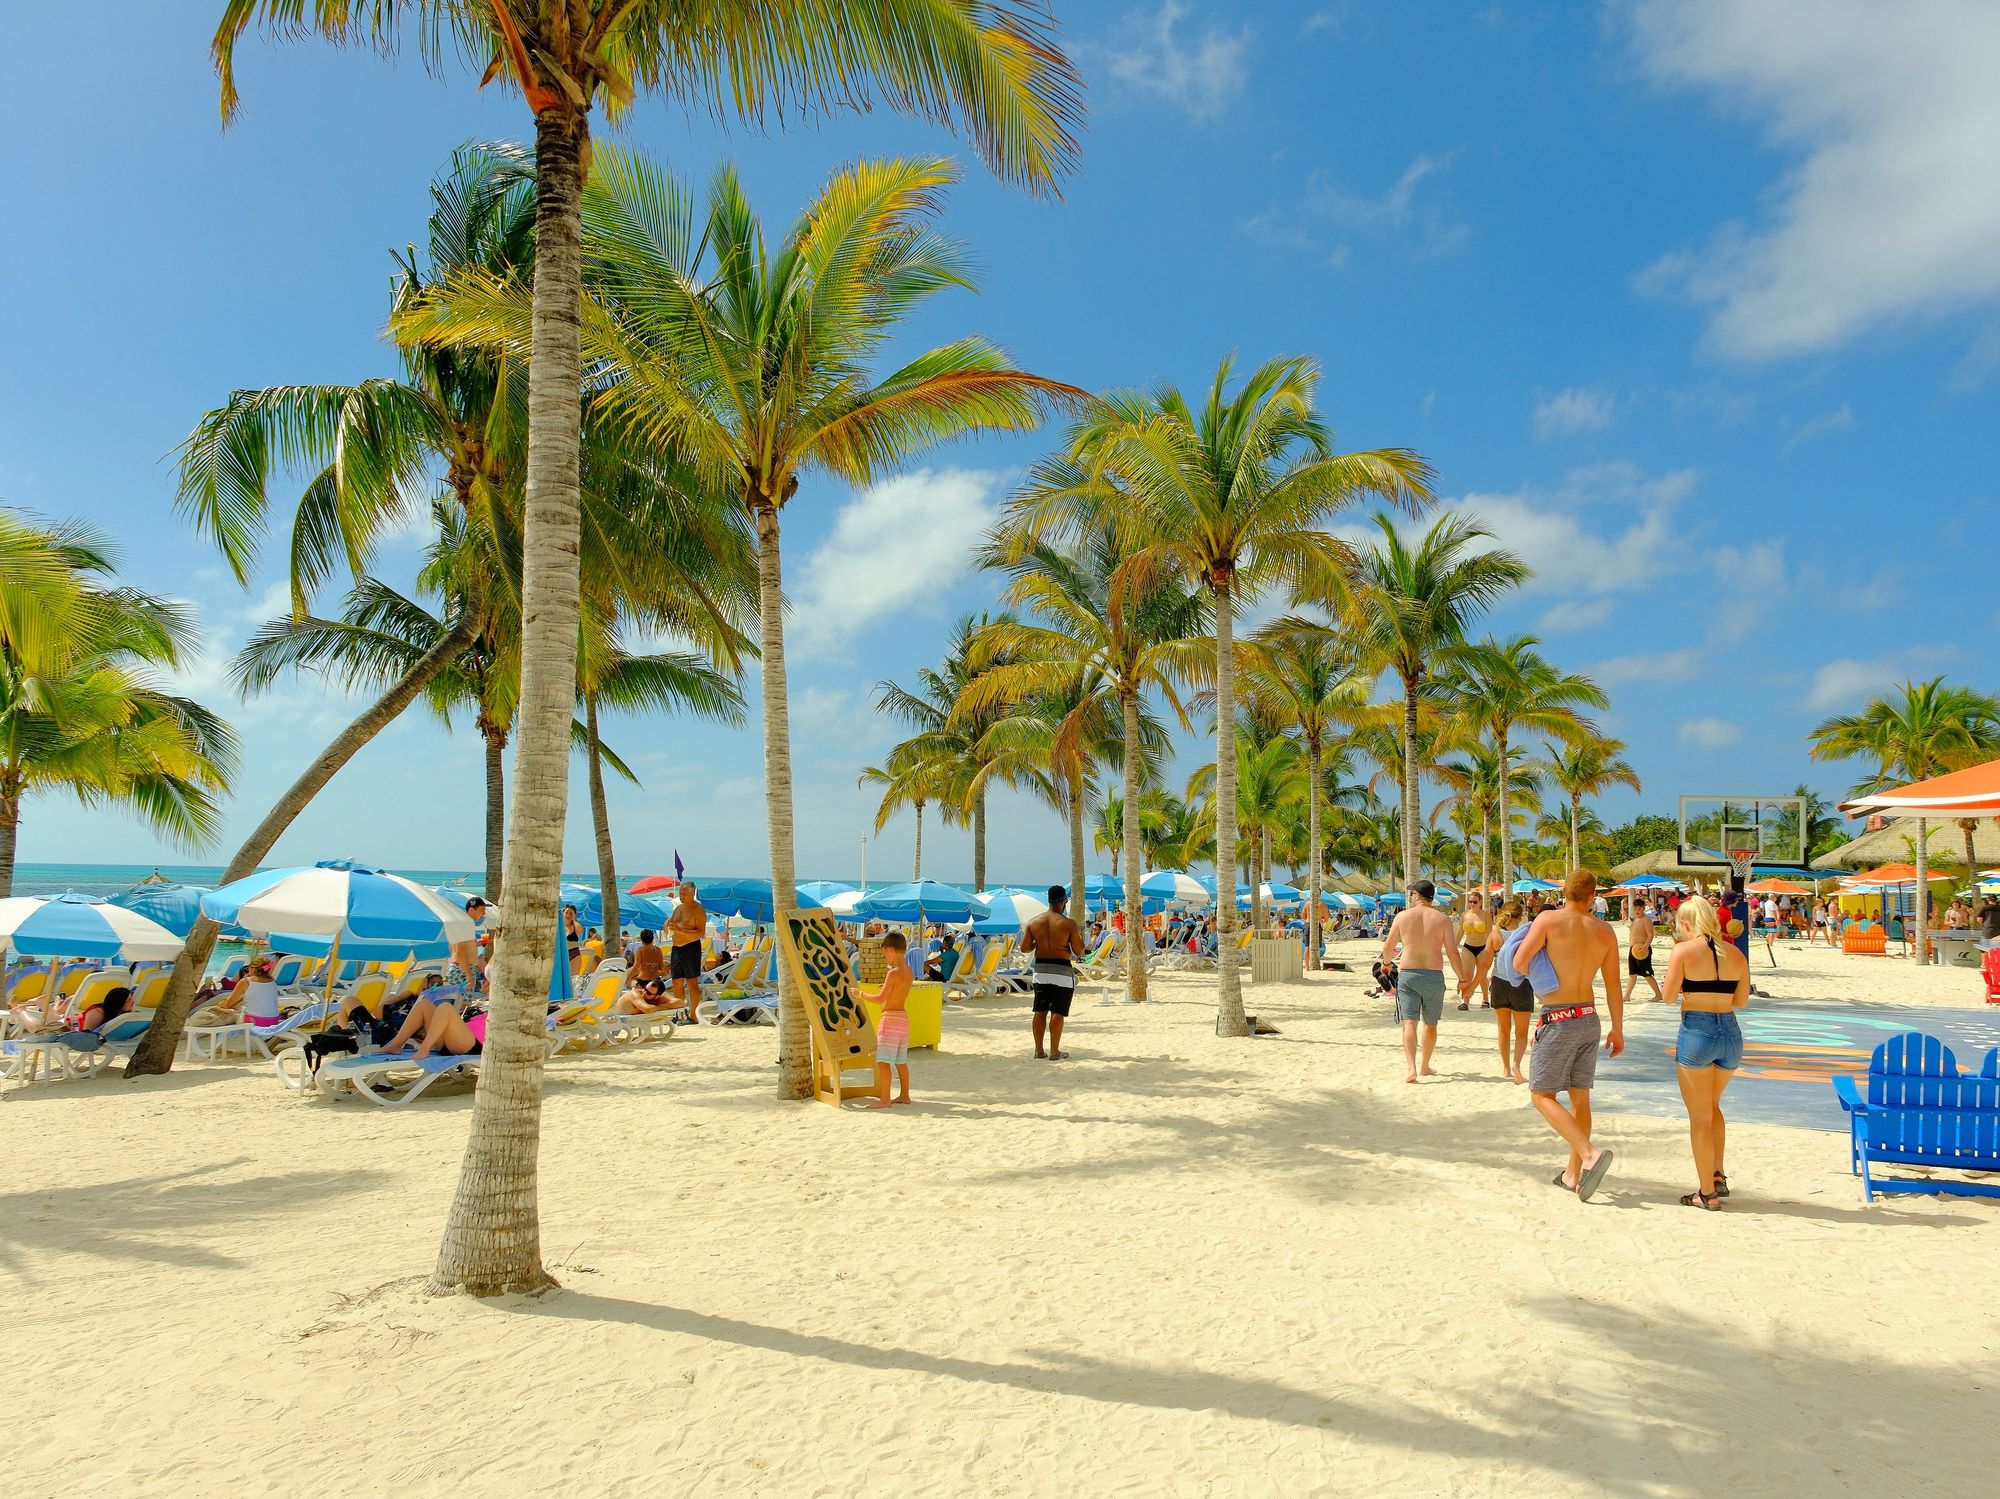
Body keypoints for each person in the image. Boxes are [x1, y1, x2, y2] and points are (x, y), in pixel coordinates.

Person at [1513, 870, 1624, 1200]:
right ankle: (1572, 1175)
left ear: (1565, 892)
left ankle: (1588, 1155)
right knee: (1580, 1099)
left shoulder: (1548, 921)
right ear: (1593, 897)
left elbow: (1520, 962)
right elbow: (1614, 985)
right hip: (1589, 1018)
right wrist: (1618, 1028)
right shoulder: (1605, 931)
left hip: (1559, 1016)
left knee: (1541, 1096)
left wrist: (1546, 971)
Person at [1662, 894, 1749, 1209]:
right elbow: (1740, 1001)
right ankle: (1717, 1175)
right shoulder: (1736, 954)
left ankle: (1706, 1194)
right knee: (1712, 1107)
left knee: (1699, 1116)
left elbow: (1668, 996)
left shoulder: (1683, 951)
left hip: (1698, 1030)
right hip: (1730, 1031)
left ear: (1687, 923)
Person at [1379, 880, 1471, 1084]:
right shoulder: (1443, 919)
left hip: (1409, 974)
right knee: (1430, 1024)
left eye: (1412, 894)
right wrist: (1462, 978)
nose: (1411, 896)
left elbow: (1388, 946)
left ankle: (1411, 1068)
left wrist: (1386, 963)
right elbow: (1453, 953)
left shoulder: (1403, 917)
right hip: (1433, 975)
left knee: (1409, 1023)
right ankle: (1424, 1066)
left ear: (1417, 896)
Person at [1465, 898, 1532, 1083]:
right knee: (1521, 1032)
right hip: (1521, 984)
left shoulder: (1495, 935)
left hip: (1499, 984)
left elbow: (1484, 967)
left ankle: (1505, 1068)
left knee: (1503, 1031)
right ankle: (1516, 1065)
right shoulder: (1525, 935)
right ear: (1520, 917)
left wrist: (1470, 989)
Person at [1021, 884, 1085, 1059]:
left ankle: (1038, 1050)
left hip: (1041, 969)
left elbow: (1025, 947)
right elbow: (1079, 950)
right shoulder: (1068, 923)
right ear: (1064, 901)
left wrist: (1039, 943)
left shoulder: (1034, 922)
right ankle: (1054, 1051)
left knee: (1039, 1010)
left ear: (1048, 900)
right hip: (1062, 971)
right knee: (1058, 1011)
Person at [851, 930, 914, 1107]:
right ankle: (904, 1095)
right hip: (903, 1020)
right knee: (901, 1061)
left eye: (884, 953)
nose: (884, 957)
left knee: (883, 1062)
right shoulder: (909, 972)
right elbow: (896, 991)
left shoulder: (892, 973)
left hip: (890, 1020)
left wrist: (860, 994)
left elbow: (880, 999)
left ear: (890, 949)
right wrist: (885, 988)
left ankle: (885, 1099)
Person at [379, 988, 486, 1059]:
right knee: (424, 1005)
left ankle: (424, 1049)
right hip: (455, 1041)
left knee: (445, 1007)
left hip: (473, 1045)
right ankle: (396, 1045)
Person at [666, 883, 707, 1022]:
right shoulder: (678, 908)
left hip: (690, 947)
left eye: (684, 894)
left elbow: (701, 933)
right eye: (680, 893)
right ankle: (680, 1013)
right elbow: (670, 926)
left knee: (691, 981)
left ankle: (694, 1015)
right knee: (676, 981)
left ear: (692, 894)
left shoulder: (698, 910)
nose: (681, 896)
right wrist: (667, 925)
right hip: (676, 947)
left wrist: (680, 930)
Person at [1458, 892, 1491, 1011]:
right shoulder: (1464, 915)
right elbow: (1460, 932)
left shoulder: (1485, 915)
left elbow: (1490, 933)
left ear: (1480, 902)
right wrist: (1453, 946)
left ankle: (1485, 999)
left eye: (1475, 902)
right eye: (1470, 901)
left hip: (1482, 947)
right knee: (1467, 974)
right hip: (1468, 946)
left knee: (1481, 975)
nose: (1472, 904)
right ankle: (1465, 1001)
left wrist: (1490, 948)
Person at [1624, 900, 1663, 1004]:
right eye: (1636, 909)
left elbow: (1650, 935)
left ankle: (1658, 994)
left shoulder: (1646, 920)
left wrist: (1645, 946)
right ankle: (1627, 996)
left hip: (1643, 949)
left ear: (1643, 909)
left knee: (1646, 973)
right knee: (1632, 973)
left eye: (1639, 909)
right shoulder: (1635, 919)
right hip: (1633, 949)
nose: (1637, 911)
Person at [453, 897, 490, 990]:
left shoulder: (466, 924)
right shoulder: (464, 925)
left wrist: (476, 944)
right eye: (482, 910)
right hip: (462, 970)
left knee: (462, 1002)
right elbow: (459, 952)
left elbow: (463, 947)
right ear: (471, 910)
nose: (484, 913)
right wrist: (469, 975)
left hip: (465, 969)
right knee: (461, 1002)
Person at [562, 904, 584, 974]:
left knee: (573, 978)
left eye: (571, 913)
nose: (568, 915)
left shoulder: (575, 926)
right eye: (566, 913)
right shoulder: (559, 927)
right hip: (561, 954)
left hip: (573, 953)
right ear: (563, 914)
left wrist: (574, 919)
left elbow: (580, 930)